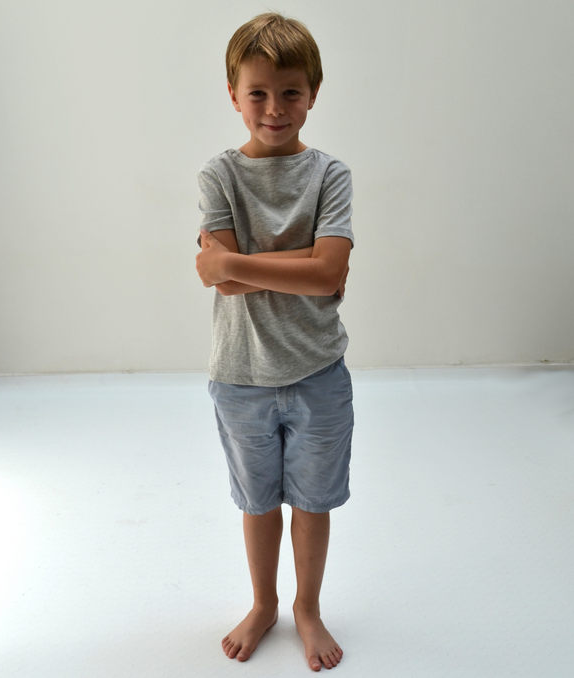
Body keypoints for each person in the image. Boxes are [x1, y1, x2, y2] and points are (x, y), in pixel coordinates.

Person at [195, 12, 354, 673]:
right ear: (234, 95)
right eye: (257, 92)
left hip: (318, 373)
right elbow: (226, 285)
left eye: (290, 92)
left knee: (312, 504)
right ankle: (263, 604)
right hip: (240, 376)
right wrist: (298, 265)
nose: (274, 108)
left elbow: (327, 274)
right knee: (258, 503)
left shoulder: (330, 175)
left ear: (313, 93)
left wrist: (234, 263)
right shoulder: (219, 176)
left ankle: (306, 609)